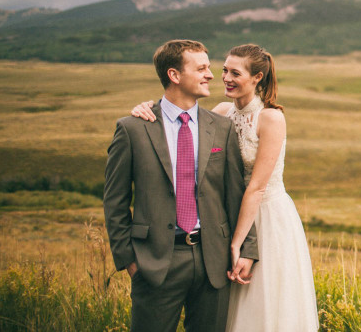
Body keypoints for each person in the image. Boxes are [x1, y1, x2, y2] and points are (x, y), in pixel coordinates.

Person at [133, 43, 319, 331]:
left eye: (235, 73)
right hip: (227, 215)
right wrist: (147, 107)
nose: (225, 78)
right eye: (224, 70)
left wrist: (238, 243)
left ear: (257, 77)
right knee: (224, 305)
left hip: (266, 218)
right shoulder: (221, 111)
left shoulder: (271, 118)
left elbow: (256, 188)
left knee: (263, 303)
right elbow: (181, 118)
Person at [104, 39, 258, 332]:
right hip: (155, 262)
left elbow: (235, 194)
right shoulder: (133, 129)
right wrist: (129, 261)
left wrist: (248, 249)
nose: (211, 75)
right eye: (201, 68)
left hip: (214, 259)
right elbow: (115, 201)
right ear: (174, 75)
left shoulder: (221, 127)